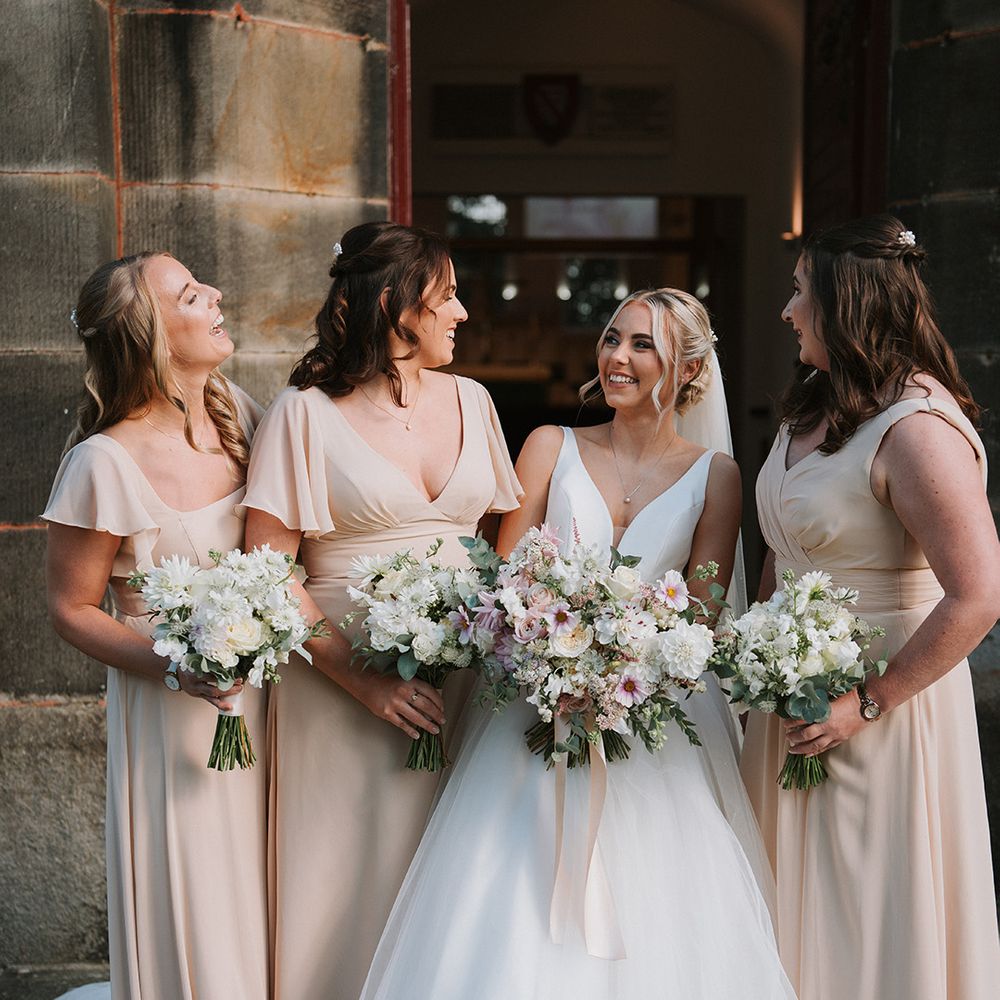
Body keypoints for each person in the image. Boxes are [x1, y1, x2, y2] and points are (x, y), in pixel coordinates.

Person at [360, 289, 796, 999]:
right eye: (612, 338)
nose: (617, 356)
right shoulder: (548, 446)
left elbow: (702, 614)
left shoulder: (716, 475)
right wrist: (550, 657)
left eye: (643, 344)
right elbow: (503, 581)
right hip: (533, 707)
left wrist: (621, 670)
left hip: (652, 719)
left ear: (689, 368)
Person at [240, 221, 522, 1000]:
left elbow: (496, 546)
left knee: (456, 883)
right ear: (398, 303)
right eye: (448, 295)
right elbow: (267, 569)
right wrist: (364, 681)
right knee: (344, 881)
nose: (463, 312)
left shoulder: (475, 401)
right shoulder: (303, 413)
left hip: (461, 686)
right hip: (338, 692)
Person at [741, 214, 1000, 1000]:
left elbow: (978, 596)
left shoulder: (917, 430)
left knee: (863, 913)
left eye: (800, 293)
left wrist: (867, 702)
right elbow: (784, 551)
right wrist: (751, 663)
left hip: (880, 707)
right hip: (788, 703)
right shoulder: (813, 403)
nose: (787, 311)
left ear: (844, 302)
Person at [43, 253, 268, 1000]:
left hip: (269, 701)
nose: (217, 295)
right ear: (150, 334)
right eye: (192, 295)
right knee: (201, 898)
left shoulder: (242, 416)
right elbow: (71, 608)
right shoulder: (102, 463)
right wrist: (179, 667)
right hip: (174, 715)